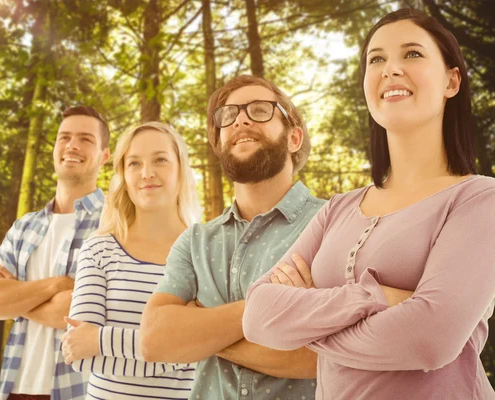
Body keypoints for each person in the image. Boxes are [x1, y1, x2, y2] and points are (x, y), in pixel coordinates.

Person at [243, 8, 495, 400]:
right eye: (376, 59)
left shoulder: (479, 200)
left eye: (411, 54)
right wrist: (377, 297)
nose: (390, 69)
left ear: (451, 80)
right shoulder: (337, 209)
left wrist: (306, 325)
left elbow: (429, 339)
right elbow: (258, 316)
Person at [140, 75, 325, 399]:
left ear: (294, 138)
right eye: (229, 115)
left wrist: (200, 332)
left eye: (259, 109)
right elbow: (154, 340)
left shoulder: (334, 222)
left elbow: (321, 356)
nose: (240, 118)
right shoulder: (195, 241)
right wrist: (276, 306)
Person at [0, 105, 111, 400]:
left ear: (104, 156)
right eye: (65, 137)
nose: (72, 145)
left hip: (77, 392)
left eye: (86, 139)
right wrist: (56, 286)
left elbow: (76, 311)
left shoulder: (115, 222)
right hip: (13, 389)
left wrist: (13, 298)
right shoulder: (24, 227)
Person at [59, 122, 201, 399]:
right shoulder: (98, 249)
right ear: (123, 174)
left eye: (160, 159)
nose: (147, 173)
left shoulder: (205, 252)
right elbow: (79, 355)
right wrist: (179, 348)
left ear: (181, 168)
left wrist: (100, 340)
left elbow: (210, 347)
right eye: (134, 163)